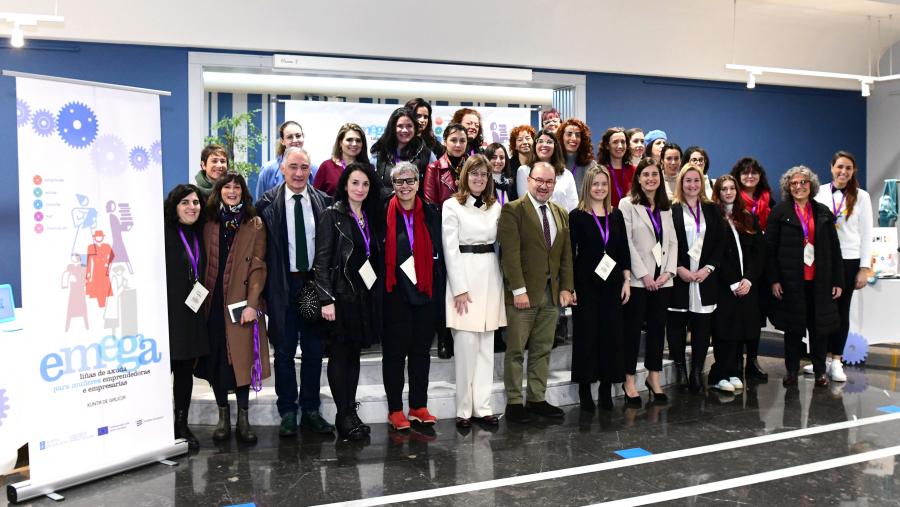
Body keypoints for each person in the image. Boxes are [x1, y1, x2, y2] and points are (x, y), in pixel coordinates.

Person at [256, 146, 334, 437]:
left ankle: (311, 409)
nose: (299, 173)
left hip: (313, 286)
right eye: (293, 167)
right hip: (281, 288)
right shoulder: (266, 205)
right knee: (285, 353)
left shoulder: (324, 202)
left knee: (314, 352)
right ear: (283, 170)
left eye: (304, 168)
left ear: (310, 170)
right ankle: (288, 411)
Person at [498, 161, 575, 423]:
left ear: (554, 184)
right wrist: (518, 290)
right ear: (529, 180)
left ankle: (536, 398)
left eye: (549, 182)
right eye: (539, 180)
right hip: (523, 294)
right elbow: (509, 254)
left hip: (551, 294)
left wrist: (566, 287)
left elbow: (565, 256)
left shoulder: (561, 212)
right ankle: (514, 403)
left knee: (543, 348)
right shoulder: (513, 210)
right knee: (516, 350)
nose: (543, 186)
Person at [314, 163, 385, 440]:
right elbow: (321, 262)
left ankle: (349, 412)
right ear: (345, 185)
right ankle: (344, 416)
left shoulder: (368, 216)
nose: (360, 189)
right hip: (339, 298)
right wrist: (326, 299)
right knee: (339, 356)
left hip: (362, 298)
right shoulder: (332, 215)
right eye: (355, 183)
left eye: (365, 184)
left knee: (353, 356)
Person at [198, 172, 270, 444]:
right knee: (217, 363)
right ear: (219, 191)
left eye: (236, 187)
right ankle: (222, 418)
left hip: (242, 305)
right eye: (226, 187)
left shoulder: (255, 224)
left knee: (242, 362)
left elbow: (258, 267)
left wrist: (253, 305)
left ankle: (243, 419)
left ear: (243, 191)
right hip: (213, 304)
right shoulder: (209, 222)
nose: (231, 191)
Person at [442, 155, 507, 428]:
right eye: (474, 174)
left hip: (491, 275)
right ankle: (463, 410)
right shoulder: (451, 206)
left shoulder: (495, 207)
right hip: (465, 276)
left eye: (484, 175)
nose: (479, 179)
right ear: (465, 176)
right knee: (466, 347)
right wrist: (459, 288)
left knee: (485, 348)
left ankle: (483, 406)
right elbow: (450, 248)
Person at [382, 162, 445, 430]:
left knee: (421, 353)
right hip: (394, 295)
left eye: (410, 181)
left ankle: (418, 405)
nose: (405, 186)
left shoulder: (432, 213)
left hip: (425, 294)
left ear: (419, 183)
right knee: (394, 355)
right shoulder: (383, 212)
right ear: (393, 185)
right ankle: (395, 409)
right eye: (399, 182)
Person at [767, 166, 843, 388]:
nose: (799, 187)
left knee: (819, 331)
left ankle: (820, 372)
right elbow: (769, 251)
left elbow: (835, 249)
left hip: (819, 282)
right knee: (793, 330)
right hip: (791, 283)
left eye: (803, 183)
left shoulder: (823, 213)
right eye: (794, 183)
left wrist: (838, 280)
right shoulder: (779, 213)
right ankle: (791, 371)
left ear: (811, 186)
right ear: (788, 188)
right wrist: (774, 280)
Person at [569, 165, 630, 411]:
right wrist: (570, 286)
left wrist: (627, 280)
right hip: (586, 285)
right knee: (586, 336)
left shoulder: (616, 215)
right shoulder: (577, 215)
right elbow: (569, 255)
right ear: (587, 186)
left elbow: (623, 249)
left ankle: (606, 387)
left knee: (610, 336)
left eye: (604, 184)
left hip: (612, 284)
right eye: (595, 184)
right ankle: (585, 388)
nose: (600, 188)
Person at [810, 151, 873, 382]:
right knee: (823, 311)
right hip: (824, 260)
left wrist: (864, 268)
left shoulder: (862, 197)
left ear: (853, 170)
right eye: (839, 167)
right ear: (831, 167)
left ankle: (837, 360)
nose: (843, 172)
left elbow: (867, 234)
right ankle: (822, 360)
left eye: (848, 168)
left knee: (841, 311)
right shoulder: (818, 193)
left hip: (849, 260)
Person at [619, 158, 677, 406]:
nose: (651, 179)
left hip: (662, 280)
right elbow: (627, 243)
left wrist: (668, 273)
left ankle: (654, 377)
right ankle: (629, 380)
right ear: (638, 178)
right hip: (639, 281)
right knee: (632, 332)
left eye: (655, 174)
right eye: (646, 175)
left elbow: (673, 242)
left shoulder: (666, 206)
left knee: (656, 330)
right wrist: (643, 274)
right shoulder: (627, 204)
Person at [666, 164, 725, 394]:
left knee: (702, 328)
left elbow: (720, 243)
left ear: (702, 184)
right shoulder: (671, 209)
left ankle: (696, 372)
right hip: (678, 278)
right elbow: (665, 242)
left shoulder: (711, 209)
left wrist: (708, 268)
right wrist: (678, 268)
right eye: (687, 180)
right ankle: (680, 371)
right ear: (681, 183)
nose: (692, 185)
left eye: (696, 181)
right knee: (676, 327)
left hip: (704, 280)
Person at [709, 175, 765, 392]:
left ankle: (733, 371)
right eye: (724, 189)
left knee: (742, 329)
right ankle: (719, 375)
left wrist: (749, 279)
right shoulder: (714, 219)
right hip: (725, 286)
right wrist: (733, 282)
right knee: (725, 330)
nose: (729, 192)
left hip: (747, 285)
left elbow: (759, 253)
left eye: (732, 188)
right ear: (718, 192)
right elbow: (717, 254)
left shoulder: (748, 218)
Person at [163, 184, 209, 450]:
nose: (193, 207)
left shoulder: (199, 233)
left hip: (191, 312)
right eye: (186, 203)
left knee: (184, 372)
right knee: (163, 372)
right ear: (175, 206)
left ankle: (181, 423)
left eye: (196, 202)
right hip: (167, 314)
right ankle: (157, 424)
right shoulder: (163, 233)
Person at [729, 156, 775, 380]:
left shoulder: (769, 201)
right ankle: (737, 360)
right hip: (738, 266)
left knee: (757, 316)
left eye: (753, 172)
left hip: (761, 266)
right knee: (738, 314)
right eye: (745, 173)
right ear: (738, 177)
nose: (749, 176)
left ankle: (753, 361)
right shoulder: (731, 204)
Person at [371, 107, 436, 200]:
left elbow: (433, 189)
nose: (404, 130)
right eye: (400, 126)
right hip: (384, 211)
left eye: (409, 126)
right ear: (392, 128)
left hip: (417, 211)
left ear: (415, 128)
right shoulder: (379, 153)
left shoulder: (427, 155)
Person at [515, 130, 578, 211]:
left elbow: (573, 206)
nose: (544, 145)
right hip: (533, 222)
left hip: (562, 222)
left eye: (549, 142)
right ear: (535, 146)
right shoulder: (523, 171)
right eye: (540, 141)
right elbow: (524, 203)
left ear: (555, 146)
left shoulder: (566, 174)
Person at [256, 121, 319, 199]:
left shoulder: (314, 169)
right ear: (282, 141)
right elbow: (260, 205)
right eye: (290, 137)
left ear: (303, 137)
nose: (295, 140)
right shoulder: (268, 170)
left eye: (298, 136)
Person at [313, 123, 371, 196]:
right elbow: (315, 196)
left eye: (358, 140)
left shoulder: (368, 169)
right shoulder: (327, 166)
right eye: (349, 140)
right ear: (340, 142)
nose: (354, 144)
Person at [423, 122, 469, 208]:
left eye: (462, 141)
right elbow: (431, 206)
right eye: (453, 140)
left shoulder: (473, 168)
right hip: (443, 220)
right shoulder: (433, 168)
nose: (458, 145)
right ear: (445, 142)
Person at [598, 127, 635, 207]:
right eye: (615, 142)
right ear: (607, 146)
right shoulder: (599, 172)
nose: (620, 146)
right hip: (607, 217)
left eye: (623, 142)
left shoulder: (634, 171)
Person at [559, 118, 596, 195]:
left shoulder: (591, 165)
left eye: (578, 135)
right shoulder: (553, 163)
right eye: (569, 134)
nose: (573, 138)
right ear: (561, 137)